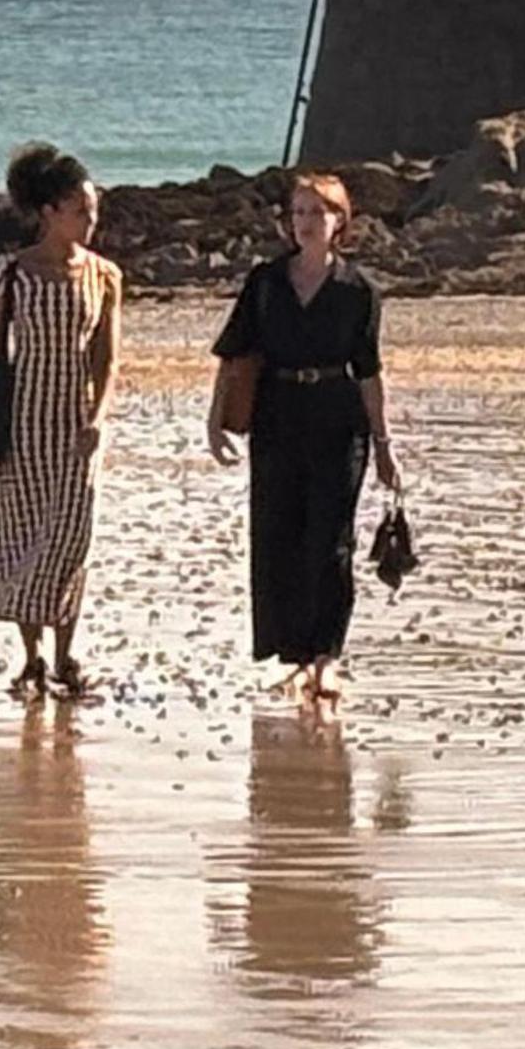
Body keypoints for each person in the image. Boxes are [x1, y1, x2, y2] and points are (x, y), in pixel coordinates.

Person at [210, 171, 402, 704]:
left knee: (330, 540)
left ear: (340, 221)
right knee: (279, 537)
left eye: (317, 213)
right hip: (276, 416)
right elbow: (234, 353)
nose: (306, 223)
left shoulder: (358, 290)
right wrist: (215, 421)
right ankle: (293, 656)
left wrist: (384, 446)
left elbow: (368, 370)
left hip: (338, 420)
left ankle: (327, 657)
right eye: (298, 213)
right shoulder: (265, 282)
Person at [0, 142, 123, 700]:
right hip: (24, 423)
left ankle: (66, 656)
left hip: (78, 426)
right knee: (21, 537)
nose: (91, 220)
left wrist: (99, 417)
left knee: (69, 541)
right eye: (81, 210)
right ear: (50, 211)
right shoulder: (13, 273)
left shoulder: (104, 276)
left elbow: (108, 356)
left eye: (94, 210)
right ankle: (33, 659)